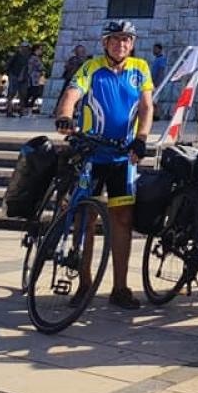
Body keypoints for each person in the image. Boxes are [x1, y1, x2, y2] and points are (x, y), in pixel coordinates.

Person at [54, 19, 153, 309]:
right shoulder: (91, 67)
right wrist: (64, 115)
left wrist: (142, 138)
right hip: (93, 154)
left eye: (126, 40)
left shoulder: (141, 69)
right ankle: (84, 283)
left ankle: (120, 287)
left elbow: (147, 106)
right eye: (115, 39)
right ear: (105, 43)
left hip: (123, 155)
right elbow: (72, 94)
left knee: (123, 219)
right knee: (85, 220)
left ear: (132, 44)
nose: (121, 44)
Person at [5, 42, 31, 116]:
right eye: (24, 47)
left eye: (27, 47)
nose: (26, 49)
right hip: (14, 76)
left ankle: (21, 111)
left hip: (24, 77)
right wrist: (10, 74)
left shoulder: (29, 56)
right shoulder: (16, 55)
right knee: (12, 93)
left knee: (23, 94)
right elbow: (8, 64)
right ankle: (9, 110)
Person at [150, 42, 167, 118]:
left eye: (155, 49)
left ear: (159, 49)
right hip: (153, 83)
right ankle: (154, 115)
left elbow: (161, 71)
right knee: (153, 100)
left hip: (157, 83)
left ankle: (156, 115)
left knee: (154, 100)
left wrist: (157, 83)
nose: (153, 50)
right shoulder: (157, 59)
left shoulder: (161, 59)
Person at [26, 44, 45, 111]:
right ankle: (26, 109)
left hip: (35, 79)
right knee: (32, 94)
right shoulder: (34, 57)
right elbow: (39, 67)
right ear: (36, 49)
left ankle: (27, 109)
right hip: (32, 79)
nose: (42, 51)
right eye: (41, 49)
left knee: (32, 94)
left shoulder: (35, 57)